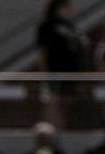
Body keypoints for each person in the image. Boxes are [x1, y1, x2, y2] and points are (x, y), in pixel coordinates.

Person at [35, 0, 83, 128]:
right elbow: (42, 52)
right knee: (52, 103)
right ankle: (47, 130)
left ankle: (61, 129)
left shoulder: (71, 26)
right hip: (54, 71)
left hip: (70, 73)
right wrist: (44, 74)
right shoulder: (47, 25)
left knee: (66, 103)